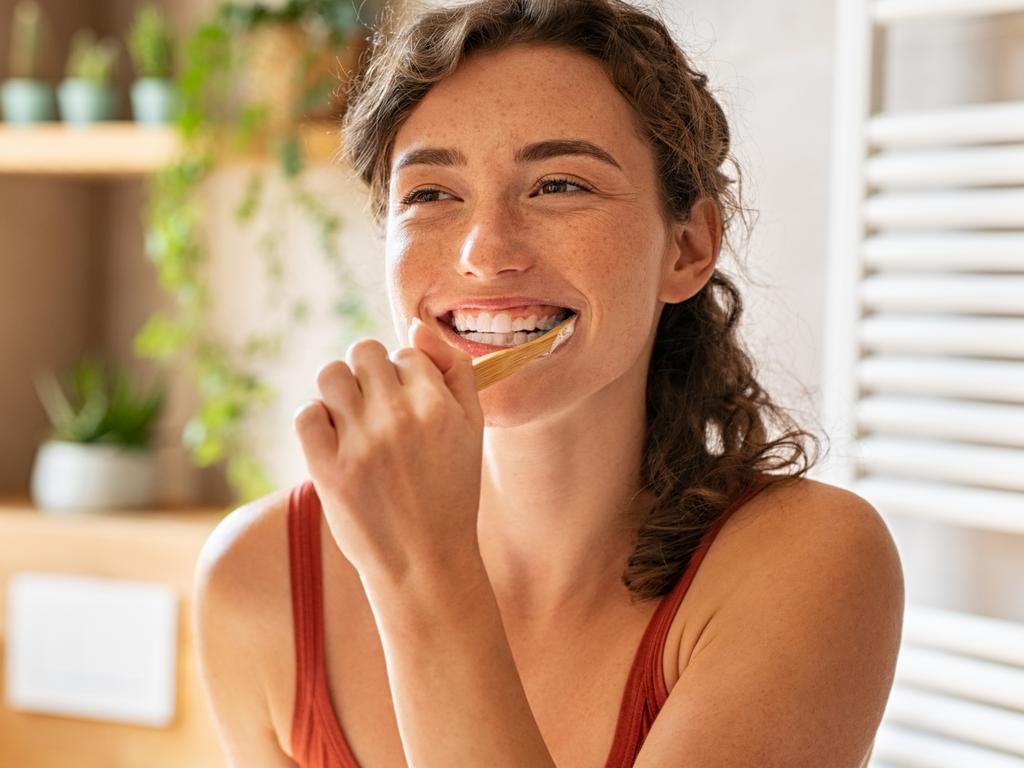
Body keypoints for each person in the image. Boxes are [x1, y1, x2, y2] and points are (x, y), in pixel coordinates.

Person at [193, 0, 905, 765]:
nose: (485, 252)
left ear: (688, 249)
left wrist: (423, 571)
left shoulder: (811, 565)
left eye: (560, 185)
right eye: (431, 194)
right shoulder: (260, 579)